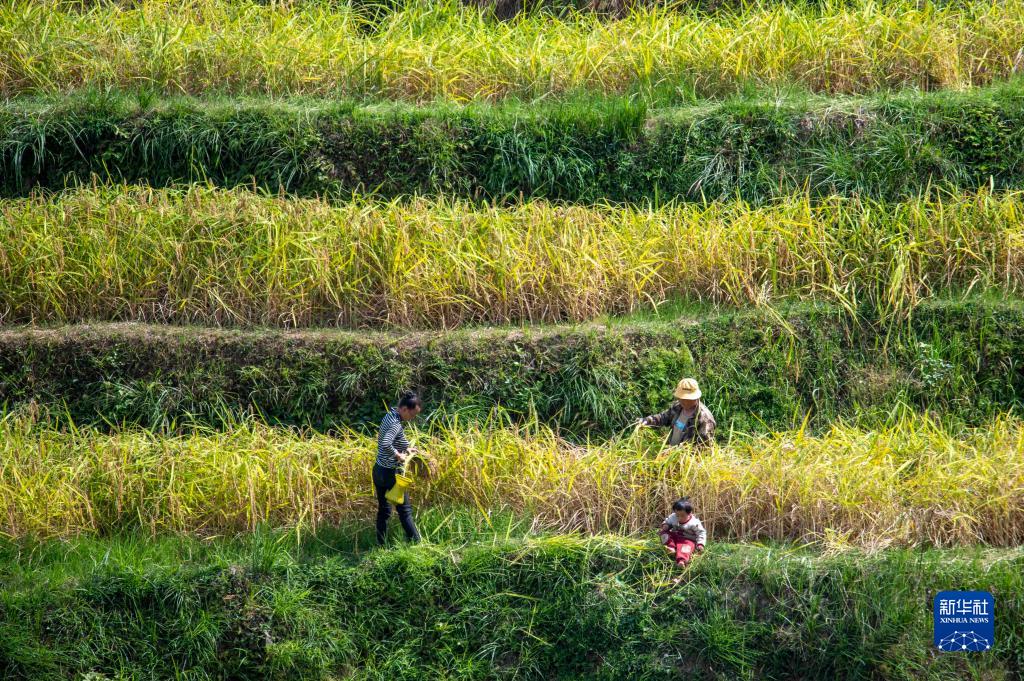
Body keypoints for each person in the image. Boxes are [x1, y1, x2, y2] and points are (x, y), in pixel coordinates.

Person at [373, 392, 423, 545]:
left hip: (379, 470)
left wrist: (407, 448)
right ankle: (417, 543)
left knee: (384, 510)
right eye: (412, 414)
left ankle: (381, 544)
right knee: (405, 511)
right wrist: (398, 455)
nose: (412, 418)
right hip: (391, 474)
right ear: (405, 409)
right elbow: (386, 443)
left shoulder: (391, 415)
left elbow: (395, 437)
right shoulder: (396, 423)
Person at [638, 377, 716, 447]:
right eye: (681, 398)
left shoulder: (705, 418)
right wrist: (647, 420)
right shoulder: (678, 407)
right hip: (670, 452)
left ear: (696, 398)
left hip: (684, 457)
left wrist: (680, 451)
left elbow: (704, 447)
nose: (683, 401)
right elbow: (663, 417)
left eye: (687, 399)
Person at [659, 497, 706, 567]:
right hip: (676, 536)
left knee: (685, 548)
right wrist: (666, 526)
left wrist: (700, 544)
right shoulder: (673, 517)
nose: (679, 518)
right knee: (664, 533)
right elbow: (668, 521)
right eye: (677, 515)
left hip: (687, 540)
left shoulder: (694, 523)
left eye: (682, 516)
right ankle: (671, 547)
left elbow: (701, 533)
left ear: (689, 513)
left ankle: (682, 561)